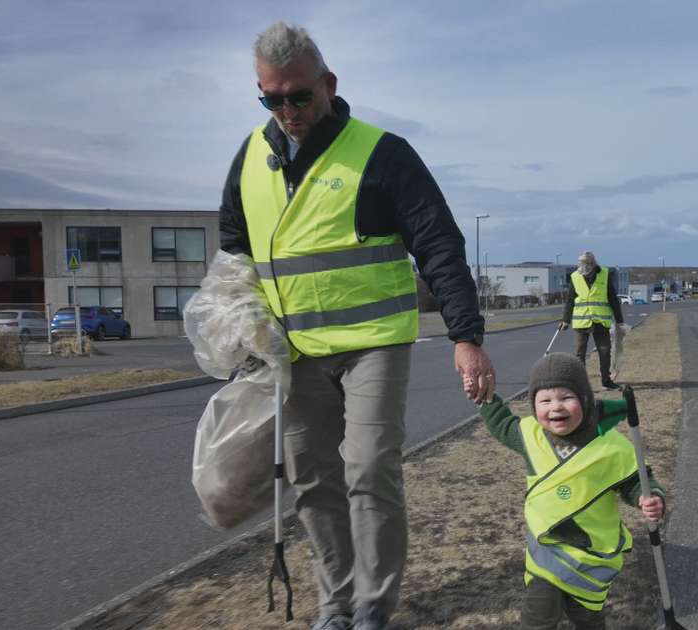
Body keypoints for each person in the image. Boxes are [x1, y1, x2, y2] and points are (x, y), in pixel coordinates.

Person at [218, 22, 494, 630]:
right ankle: (334, 603)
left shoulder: (382, 153)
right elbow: (234, 252)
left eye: (299, 95)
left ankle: (372, 606)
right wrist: (237, 321)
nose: (288, 109)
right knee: (313, 482)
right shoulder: (249, 159)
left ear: (328, 84)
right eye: (273, 98)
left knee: (369, 469)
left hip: (373, 345)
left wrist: (466, 337)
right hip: (293, 355)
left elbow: (439, 246)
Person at [480, 353, 664, 629]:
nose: (556, 408)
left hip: (591, 553)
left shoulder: (611, 446)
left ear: (585, 399)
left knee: (587, 615)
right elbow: (502, 425)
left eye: (566, 397)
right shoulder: (530, 436)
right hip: (547, 550)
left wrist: (650, 498)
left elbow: (637, 481)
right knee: (538, 616)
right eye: (545, 400)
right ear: (533, 405)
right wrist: (486, 398)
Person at [561, 251, 625, 390]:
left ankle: (606, 380)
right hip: (581, 320)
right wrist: (565, 320)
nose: (584, 272)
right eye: (581, 267)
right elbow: (570, 300)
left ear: (592, 265)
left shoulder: (604, 274)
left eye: (587, 268)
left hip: (600, 321)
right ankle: (581, 384)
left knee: (605, 351)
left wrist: (619, 320)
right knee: (579, 354)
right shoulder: (575, 276)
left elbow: (613, 298)